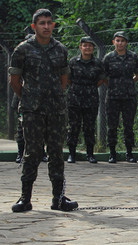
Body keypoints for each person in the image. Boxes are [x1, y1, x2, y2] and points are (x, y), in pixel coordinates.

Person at [8, 9, 78, 212]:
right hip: (32, 110)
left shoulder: (60, 49)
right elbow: (15, 80)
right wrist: (29, 98)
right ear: (34, 26)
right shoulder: (23, 50)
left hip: (56, 109)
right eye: (41, 23)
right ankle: (25, 198)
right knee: (32, 153)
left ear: (53, 25)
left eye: (49, 23)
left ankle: (59, 198)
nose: (46, 26)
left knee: (56, 153)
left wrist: (55, 95)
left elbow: (64, 78)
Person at [103, 31, 138, 163]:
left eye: (122, 41)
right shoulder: (108, 58)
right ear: (114, 42)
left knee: (128, 126)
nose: (120, 43)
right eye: (117, 40)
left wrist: (129, 83)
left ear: (126, 43)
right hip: (113, 97)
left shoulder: (132, 56)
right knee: (112, 126)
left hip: (129, 97)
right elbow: (104, 77)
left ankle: (129, 153)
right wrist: (113, 86)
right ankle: (112, 154)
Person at [66, 36, 106, 164]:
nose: (87, 48)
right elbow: (68, 79)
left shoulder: (98, 63)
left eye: (90, 45)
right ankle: (72, 154)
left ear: (93, 48)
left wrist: (89, 88)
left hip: (91, 99)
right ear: (80, 47)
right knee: (73, 127)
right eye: (85, 45)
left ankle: (90, 154)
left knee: (89, 128)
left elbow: (100, 80)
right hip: (74, 99)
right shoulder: (73, 62)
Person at [12, 33, 48, 164]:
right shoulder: (19, 57)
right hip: (24, 97)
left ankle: (42, 152)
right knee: (22, 127)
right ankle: (20, 153)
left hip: (41, 98)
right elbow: (14, 80)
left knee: (42, 127)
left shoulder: (42, 58)